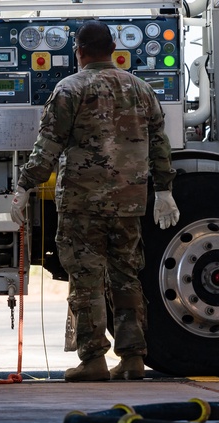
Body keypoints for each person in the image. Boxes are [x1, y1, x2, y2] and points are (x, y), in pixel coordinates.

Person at [10, 20, 179, 382]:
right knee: (126, 275)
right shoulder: (141, 89)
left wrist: (25, 186)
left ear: (80, 51)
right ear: (114, 49)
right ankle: (133, 357)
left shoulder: (70, 89)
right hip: (129, 202)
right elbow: (159, 145)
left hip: (82, 203)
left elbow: (48, 147)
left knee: (86, 279)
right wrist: (163, 190)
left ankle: (93, 358)